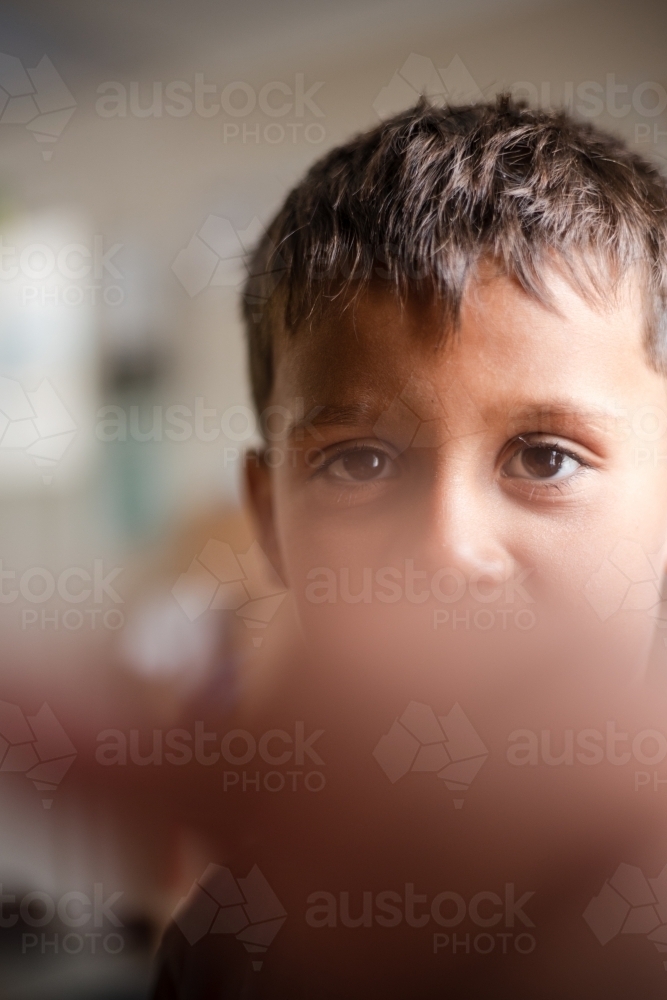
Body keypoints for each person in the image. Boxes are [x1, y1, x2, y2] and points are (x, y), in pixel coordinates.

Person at [152, 96, 667, 999]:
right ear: (271, 525)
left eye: (545, 457)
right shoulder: (228, 946)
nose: (446, 550)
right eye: (359, 461)